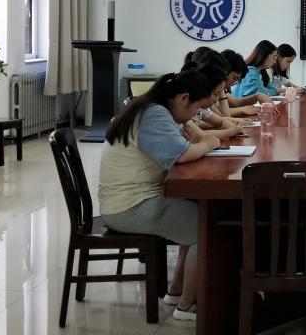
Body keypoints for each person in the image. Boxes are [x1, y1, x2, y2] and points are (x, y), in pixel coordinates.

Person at [99, 69, 230, 321]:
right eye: (197, 108)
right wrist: (207, 144)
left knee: (197, 215)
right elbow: (181, 155)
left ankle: (177, 291)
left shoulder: (152, 108)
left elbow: (181, 148)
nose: (195, 115)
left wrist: (196, 142)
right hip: (130, 206)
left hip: (132, 199)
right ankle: (187, 306)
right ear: (183, 98)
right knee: (207, 227)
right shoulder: (154, 115)